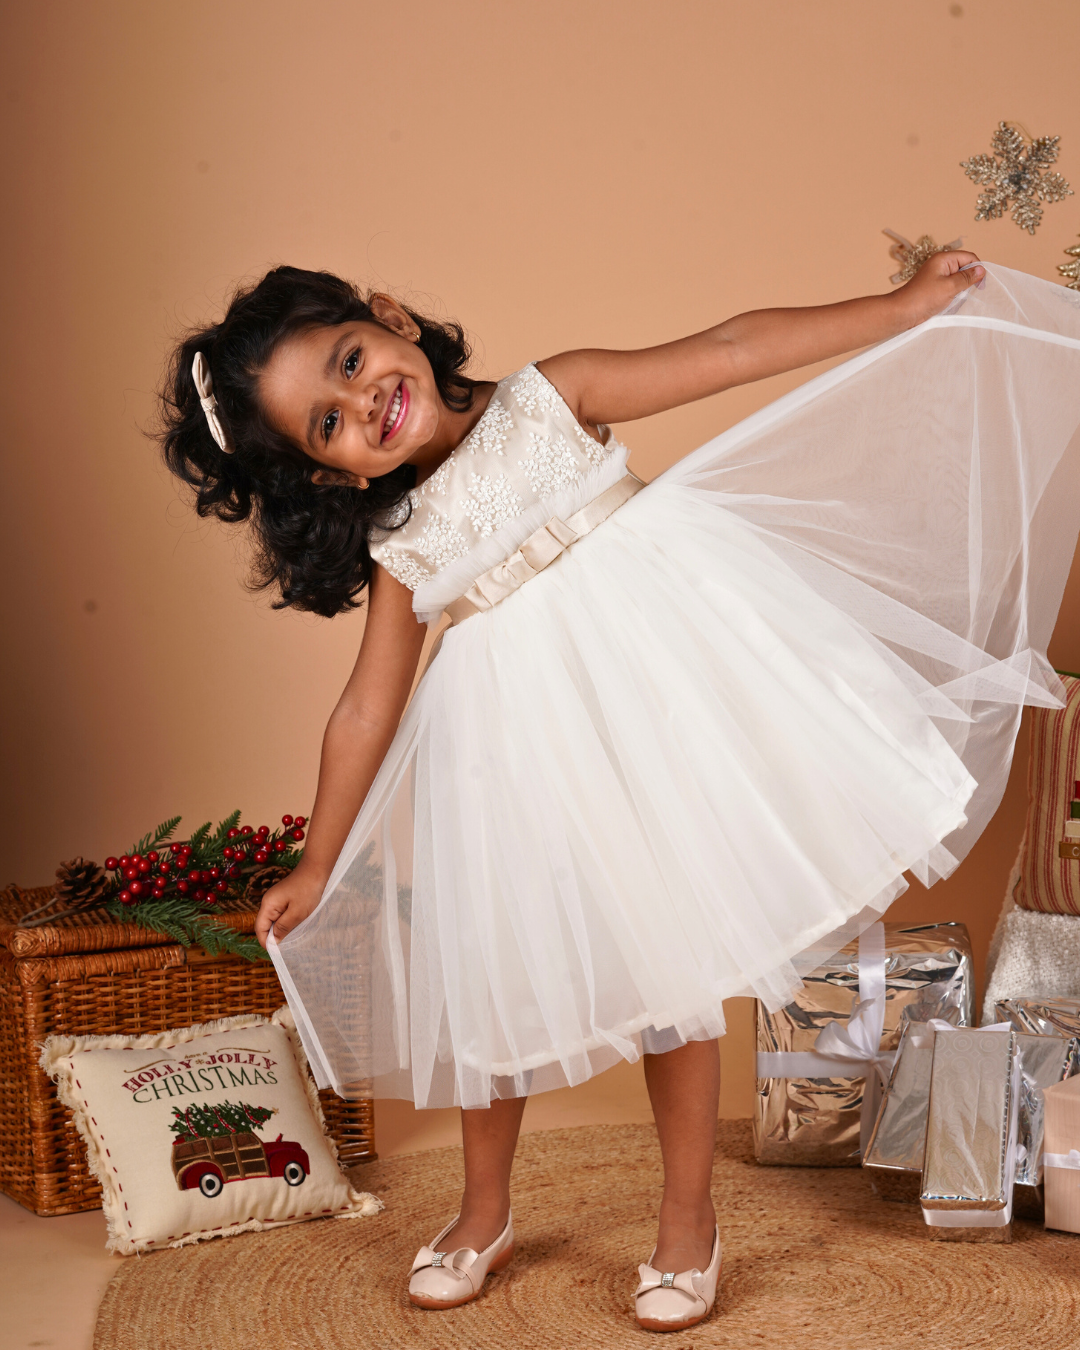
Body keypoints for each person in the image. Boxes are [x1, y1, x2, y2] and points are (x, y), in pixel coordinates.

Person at [159, 253, 1080, 1331]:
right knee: (497, 975)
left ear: (390, 317)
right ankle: (482, 1213)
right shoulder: (396, 541)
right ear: (331, 473)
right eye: (328, 424)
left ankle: (687, 1221)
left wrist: (899, 308)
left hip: (661, 701)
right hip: (517, 756)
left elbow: (732, 347)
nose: (364, 401)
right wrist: (320, 861)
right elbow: (367, 706)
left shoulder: (556, 394)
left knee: (671, 965)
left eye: (350, 361)